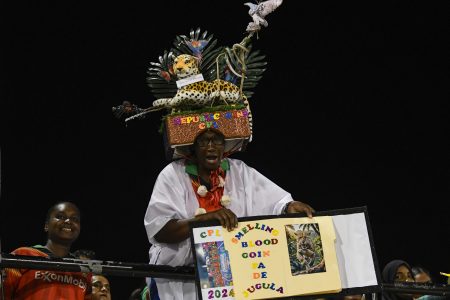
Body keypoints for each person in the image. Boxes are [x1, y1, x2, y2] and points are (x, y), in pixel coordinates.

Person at [144, 128, 315, 299]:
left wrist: (288, 207)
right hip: (180, 279)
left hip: (231, 276)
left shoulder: (240, 171)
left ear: (224, 146)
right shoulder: (172, 174)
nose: (211, 147)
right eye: (204, 141)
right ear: (192, 147)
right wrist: (205, 219)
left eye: (217, 140)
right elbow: (161, 231)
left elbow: (275, 201)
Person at [2, 201, 92, 299]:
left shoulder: (84, 269)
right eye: (60, 216)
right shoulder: (23, 254)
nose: (68, 221)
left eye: (74, 219)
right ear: (46, 226)